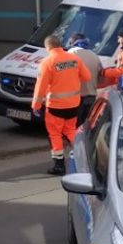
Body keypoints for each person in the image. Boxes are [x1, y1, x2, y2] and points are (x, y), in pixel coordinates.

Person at [32, 34, 91, 175]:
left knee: (55, 134)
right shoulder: (75, 59)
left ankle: (59, 165)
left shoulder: (47, 62)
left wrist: (36, 105)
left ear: (48, 47)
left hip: (55, 106)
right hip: (73, 104)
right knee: (71, 131)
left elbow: (41, 85)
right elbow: (87, 77)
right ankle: (83, 157)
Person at [68, 33, 102, 127]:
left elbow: (63, 71)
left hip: (76, 96)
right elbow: (101, 73)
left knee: (74, 125)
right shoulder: (94, 55)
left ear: (72, 42)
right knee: (86, 125)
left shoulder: (71, 53)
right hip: (91, 95)